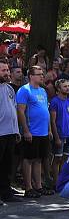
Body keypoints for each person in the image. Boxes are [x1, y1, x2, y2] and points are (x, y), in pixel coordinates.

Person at [16, 67, 53, 198]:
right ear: (31, 76)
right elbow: (20, 111)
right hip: (32, 131)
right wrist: (26, 130)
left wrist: (49, 130)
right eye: (39, 74)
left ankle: (38, 186)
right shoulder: (24, 90)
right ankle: (28, 187)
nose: (42, 76)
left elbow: (46, 111)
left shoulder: (43, 91)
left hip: (43, 131)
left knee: (38, 159)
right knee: (28, 159)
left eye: (42, 74)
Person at [0, 60, 19, 205]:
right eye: (3, 70)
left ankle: (6, 193)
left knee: (7, 164)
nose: (6, 73)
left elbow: (13, 110)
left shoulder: (10, 88)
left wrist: (16, 130)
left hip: (10, 133)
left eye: (7, 70)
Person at [49, 79, 69, 183]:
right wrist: (56, 137)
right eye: (64, 86)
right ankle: (56, 182)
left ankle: (63, 180)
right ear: (58, 89)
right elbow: (53, 121)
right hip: (60, 135)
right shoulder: (54, 101)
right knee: (57, 159)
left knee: (65, 159)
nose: (67, 88)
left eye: (68, 86)